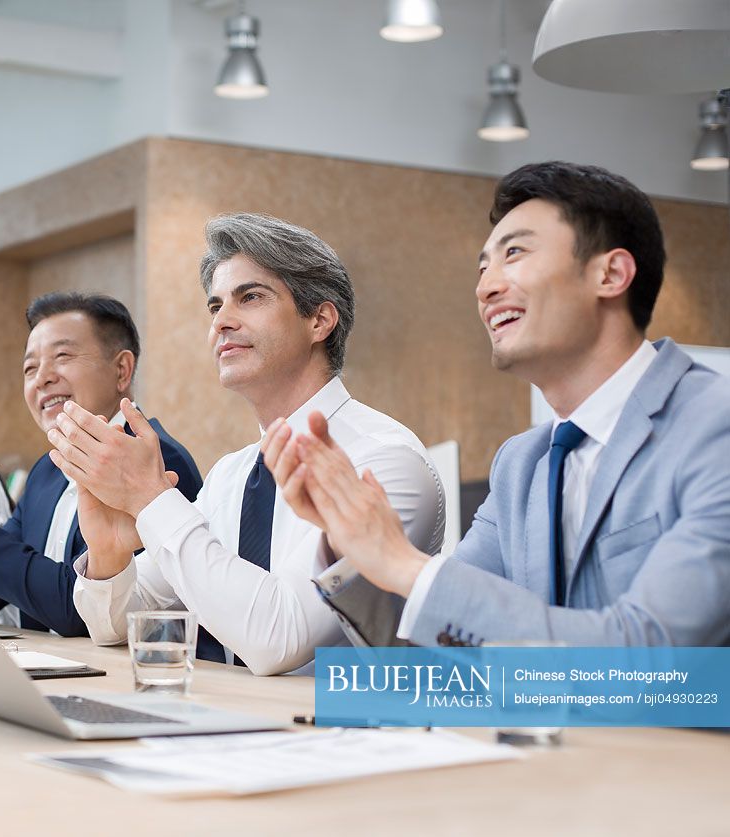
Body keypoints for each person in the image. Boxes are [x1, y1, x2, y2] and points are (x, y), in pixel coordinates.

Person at [269, 161, 730, 647]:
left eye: (515, 253)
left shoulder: (714, 426)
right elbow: (435, 645)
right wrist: (352, 541)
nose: (485, 287)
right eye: (483, 266)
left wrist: (403, 562)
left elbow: (653, 655)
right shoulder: (521, 465)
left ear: (611, 273)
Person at [51, 214, 445, 675]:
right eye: (215, 306)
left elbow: (278, 639)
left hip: (352, 735)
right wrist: (109, 555)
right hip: (241, 728)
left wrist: (149, 498)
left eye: (250, 297)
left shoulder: (385, 460)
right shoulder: (231, 475)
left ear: (319, 320)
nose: (221, 322)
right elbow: (114, 626)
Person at [0, 293, 203, 635]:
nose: (41, 378)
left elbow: (82, 611)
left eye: (62, 356)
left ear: (122, 370)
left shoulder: (159, 462)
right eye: (30, 367)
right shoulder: (46, 471)